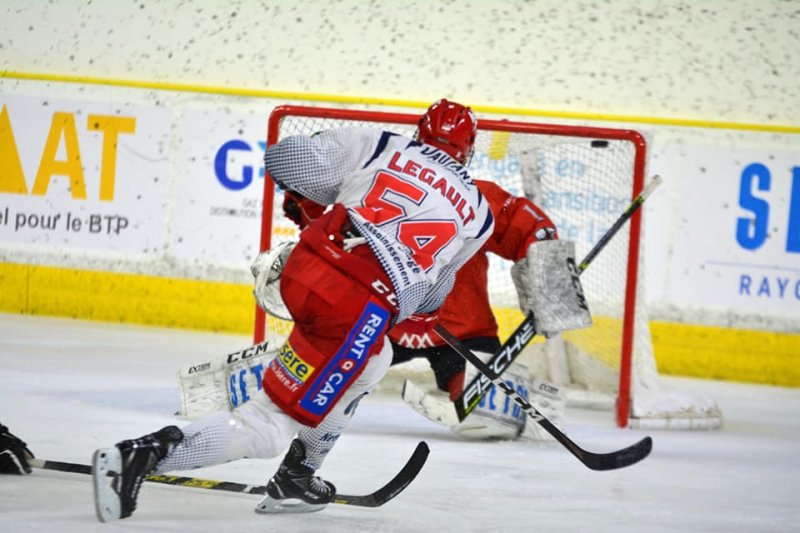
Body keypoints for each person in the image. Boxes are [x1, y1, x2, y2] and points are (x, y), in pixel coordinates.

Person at [91, 99, 494, 521]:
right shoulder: (480, 214)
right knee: (266, 425)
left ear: (420, 132)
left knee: (376, 359)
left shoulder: (384, 144)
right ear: (468, 148)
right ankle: (137, 458)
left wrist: (339, 199)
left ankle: (298, 476)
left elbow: (285, 159)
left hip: (306, 264)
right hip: (356, 302)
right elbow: (433, 296)